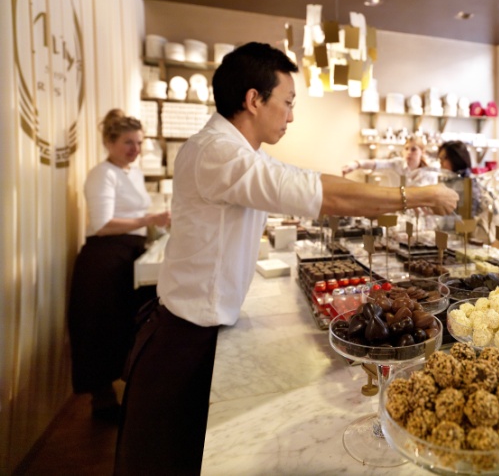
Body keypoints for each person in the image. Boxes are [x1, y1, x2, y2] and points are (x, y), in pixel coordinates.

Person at [114, 42, 458, 475]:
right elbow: (316, 191)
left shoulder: (236, 151)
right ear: (253, 100)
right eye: (288, 102)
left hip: (195, 334)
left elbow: (295, 183)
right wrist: (417, 196)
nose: (292, 115)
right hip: (181, 346)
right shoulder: (217, 152)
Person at [67, 109, 170, 422]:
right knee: (100, 329)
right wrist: (149, 219)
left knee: (124, 326)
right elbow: (101, 224)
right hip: (103, 258)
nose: (135, 149)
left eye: (139, 143)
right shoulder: (103, 174)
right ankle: (102, 403)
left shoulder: (132, 173)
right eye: (128, 142)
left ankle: (126, 395)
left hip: (127, 254)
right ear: (109, 142)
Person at [341, 135, 438, 186]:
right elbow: (377, 163)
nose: (409, 152)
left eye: (413, 149)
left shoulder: (429, 172)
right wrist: (355, 164)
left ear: (423, 152)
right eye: (406, 148)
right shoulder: (397, 164)